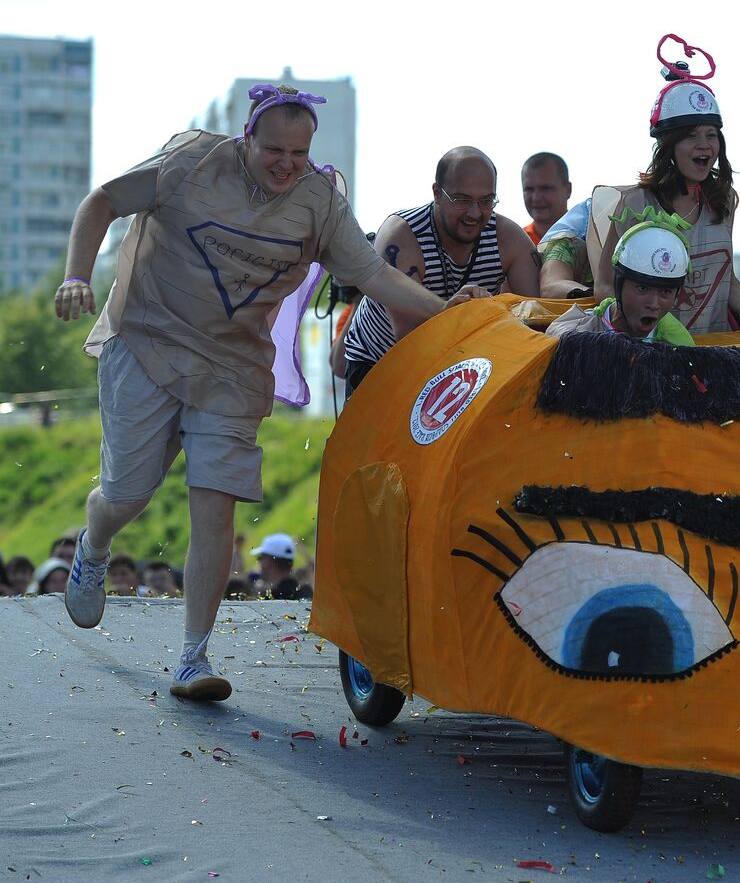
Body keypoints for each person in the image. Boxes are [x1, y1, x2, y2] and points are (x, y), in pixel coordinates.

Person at [53, 84, 466, 702]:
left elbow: (374, 275)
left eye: (299, 153)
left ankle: (193, 657)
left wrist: (451, 320)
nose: (286, 164)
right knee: (128, 492)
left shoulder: (318, 202)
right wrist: (76, 276)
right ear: (248, 139)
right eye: (274, 149)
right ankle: (96, 540)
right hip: (147, 341)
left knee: (216, 502)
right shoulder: (189, 164)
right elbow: (102, 201)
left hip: (233, 366)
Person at [539, 35, 740, 332]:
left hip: (714, 350)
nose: (705, 146)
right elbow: (606, 284)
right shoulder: (634, 204)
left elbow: (726, 277)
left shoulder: (723, 200)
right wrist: (651, 333)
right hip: (653, 354)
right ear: (668, 146)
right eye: (691, 136)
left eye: (711, 135)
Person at [341, 146, 541, 393]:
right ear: (437, 193)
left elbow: (536, 319)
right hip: (381, 360)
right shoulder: (403, 236)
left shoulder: (509, 239)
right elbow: (409, 337)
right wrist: (465, 316)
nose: (475, 213)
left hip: (466, 368)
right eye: (462, 200)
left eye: (486, 201)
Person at [546, 208, 696, 346]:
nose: (654, 304)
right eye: (642, 288)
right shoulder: (572, 333)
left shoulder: (678, 344)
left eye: (665, 292)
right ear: (618, 284)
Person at [521, 152, 572, 245]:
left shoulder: (591, 239)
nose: (536, 198)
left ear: (568, 190)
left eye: (545, 188)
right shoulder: (515, 242)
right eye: (529, 189)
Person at [249, 532, 303, 599]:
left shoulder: (271, 599)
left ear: (268, 561)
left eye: (260, 558)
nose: (259, 562)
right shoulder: (301, 591)